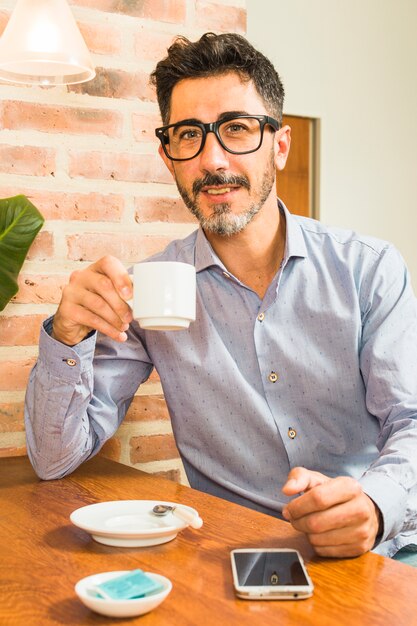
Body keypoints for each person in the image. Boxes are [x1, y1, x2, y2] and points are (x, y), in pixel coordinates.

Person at [24, 32, 417, 560]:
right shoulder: (148, 292)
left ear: (279, 145)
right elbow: (55, 459)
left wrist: (374, 504)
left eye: (236, 128)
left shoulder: (369, 270)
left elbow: (410, 422)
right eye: (189, 135)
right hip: (233, 559)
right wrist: (66, 336)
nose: (212, 159)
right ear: (169, 157)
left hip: (384, 552)